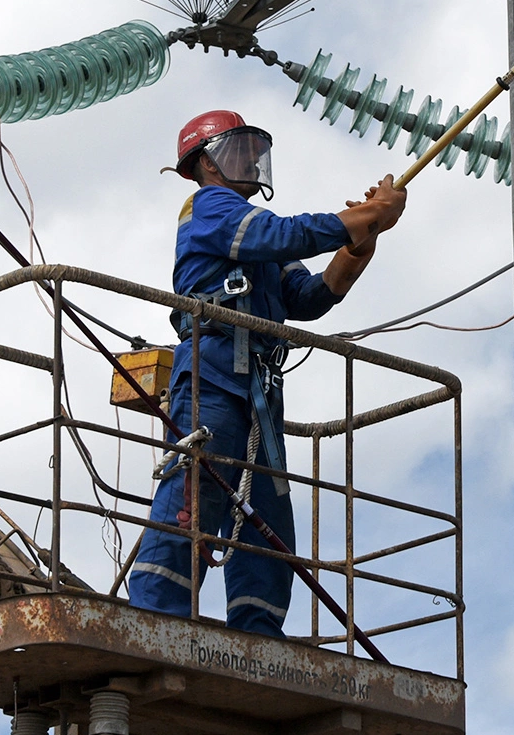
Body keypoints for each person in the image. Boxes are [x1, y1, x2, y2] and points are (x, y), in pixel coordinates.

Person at [128, 109, 406, 633]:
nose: (253, 161)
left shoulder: (256, 242)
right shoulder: (209, 206)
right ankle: (153, 620)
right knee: (196, 494)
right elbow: (285, 235)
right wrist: (361, 217)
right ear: (206, 162)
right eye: (241, 151)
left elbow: (310, 297)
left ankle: (259, 633)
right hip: (212, 377)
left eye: (257, 152)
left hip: (258, 391)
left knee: (268, 521)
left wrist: (361, 240)